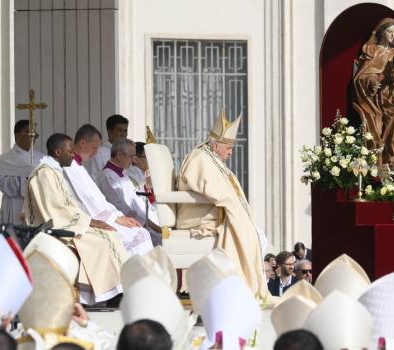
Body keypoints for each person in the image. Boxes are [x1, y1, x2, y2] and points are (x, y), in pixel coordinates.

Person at [23, 133, 129, 303]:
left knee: (110, 234)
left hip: (70, 222)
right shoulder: (44, 174)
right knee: (100, 241)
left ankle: (115, 291)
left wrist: (88, 221)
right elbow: (55, 210)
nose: (73, 155)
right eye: (70, 151)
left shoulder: (54, 171)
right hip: (55, 228)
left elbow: (68, 205)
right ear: (58, 152)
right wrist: (90, 222)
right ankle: (105, 294)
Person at [176, 109, 268, 298]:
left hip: (207, 210)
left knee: (256, 234)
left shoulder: (211, 157)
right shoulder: (199, 158)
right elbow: (211, 188)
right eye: (229, 147)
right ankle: (240, 286)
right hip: (196, 215)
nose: (231, 152)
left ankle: (248, 283)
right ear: (216, 145)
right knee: (250, 234)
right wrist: (230, 204)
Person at [63, 125, 155, 255]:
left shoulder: (79, 167)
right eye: (94, 147)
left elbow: (99, 199)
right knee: (140, 235)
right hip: (95, 219)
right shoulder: (72, 168)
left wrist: (118, 216)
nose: (96, 153)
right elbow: (87, 201)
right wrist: (116, 218)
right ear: (83, 143)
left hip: (112, 215)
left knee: (142, 233)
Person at [96, 138, 162, 246]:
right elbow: (122, 207)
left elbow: (135, 201)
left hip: (140, 221)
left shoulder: (123, 174)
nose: (133, 160)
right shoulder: (107, 177)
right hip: (123, 223)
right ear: (119, 155)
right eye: (131, 156)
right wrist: (151, 226)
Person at [352, 18, 394, 154]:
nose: (392, 35)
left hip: (393, 93)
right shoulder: (372, 51)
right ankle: (380, 153)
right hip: (376, 96)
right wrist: (371, 81)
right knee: (386, 115)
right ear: (381, 32)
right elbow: (361, 76)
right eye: (389, 31)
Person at [0, 120, 44, 224]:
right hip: (15, 205)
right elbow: (2, 183)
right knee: (15, 237)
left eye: (34, 134)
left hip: (36, 204)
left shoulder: (42, 158)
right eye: (29, 133)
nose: (33, 137)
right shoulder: (5, 159)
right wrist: (32, 183)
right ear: (17, 135)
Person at [84, 114, 128, 180]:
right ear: (109, 132)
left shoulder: (128, 154)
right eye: (120, 130)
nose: (123, 134)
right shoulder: (98, 153)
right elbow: (93, 179)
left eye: (125, 131)